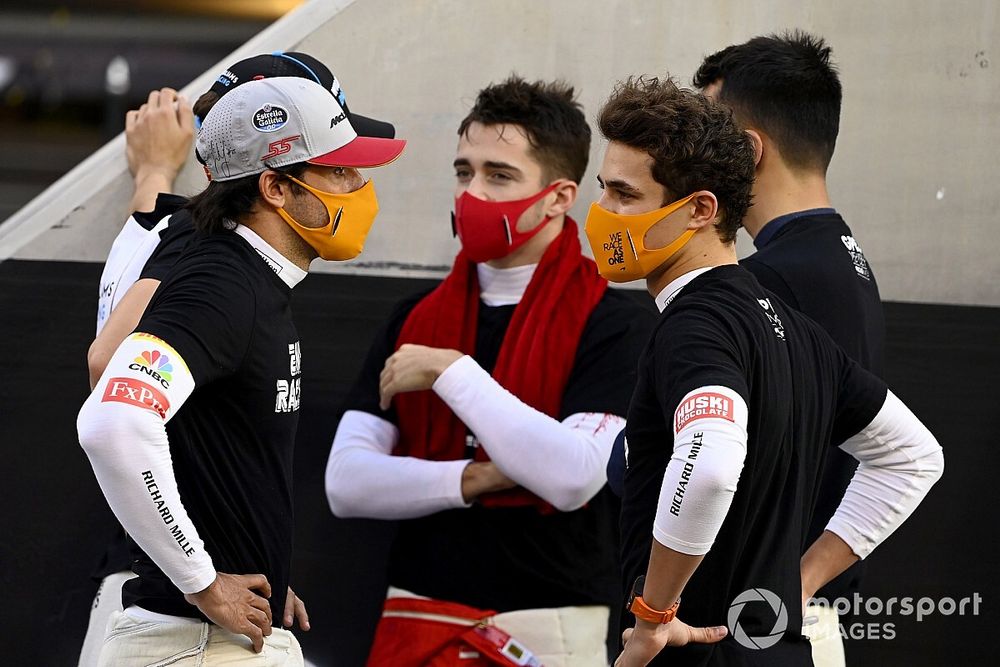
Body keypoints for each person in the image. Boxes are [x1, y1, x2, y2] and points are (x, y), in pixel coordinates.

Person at [583, 76, 943, 666]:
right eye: (602, 189)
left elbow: (709, 464)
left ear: (700, 209)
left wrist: (654, 616)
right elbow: (914, 455)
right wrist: (798, 585)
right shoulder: (798, 330)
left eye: (624, 194)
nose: (601, 213)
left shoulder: (696, 324)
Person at [79, 52, 401, 667]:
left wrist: (252, 557)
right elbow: (113, 419)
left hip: (208, 640)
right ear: (276, 187)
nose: (362, 191)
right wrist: (205, 581)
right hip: (195, 643)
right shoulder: (223, 284)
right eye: (342, 173)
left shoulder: (243, 275)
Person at [325, 75, 654, 666]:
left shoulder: (615, 322)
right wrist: (475, 479)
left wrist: (453, 372)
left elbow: (574, 475)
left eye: (498, 176)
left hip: (551, 625)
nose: (471, 193)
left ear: (558, 196)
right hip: (417, 617)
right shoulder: (414, 319)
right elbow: (346, 483)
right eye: (462, 171)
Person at [693, 32, 885, 665]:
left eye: (706, 138)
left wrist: (799, 577)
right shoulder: (839, 258)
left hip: (762, 630)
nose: (689, 160)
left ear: (748, 150)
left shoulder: (774, 278)